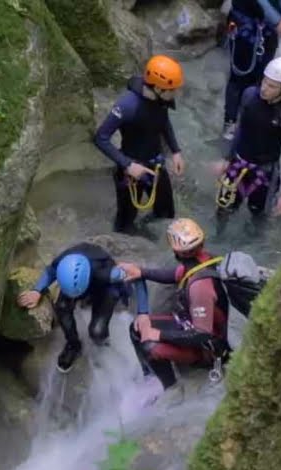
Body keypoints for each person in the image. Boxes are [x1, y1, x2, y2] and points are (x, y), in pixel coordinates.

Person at [118, 218, 230, 390]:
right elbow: (175, 274)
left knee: (150, 345)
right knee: (137, 328)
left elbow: (202, 334)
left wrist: (158, 335)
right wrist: (141, 272)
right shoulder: (204, 260)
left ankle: (169, 388)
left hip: (207, 349)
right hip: (188, 325)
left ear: (177, 251)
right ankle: (150, 377)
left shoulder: (200, 286)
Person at [17, 242, 149, 373]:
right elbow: (50, 272)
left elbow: (138, 276)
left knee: (97, 331)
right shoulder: (63, 264)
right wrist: (37, 291)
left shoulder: (108, 273)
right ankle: (73, 345)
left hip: (106, 288)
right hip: (79, 279)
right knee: (62, 306)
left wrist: (143, 312)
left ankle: (102, 344)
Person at [94, 55, 187, 234]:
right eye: (172, 89)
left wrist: (176, 151)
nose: (175, 93)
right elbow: (101, 138)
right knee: (125, 221)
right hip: (131, 168)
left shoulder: (161, 100)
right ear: (159, 88)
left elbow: (163, 122)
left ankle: (151, 234)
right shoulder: (127, 105)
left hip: (156, 165)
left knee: (166, 213)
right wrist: (127, 165)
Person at [213, 56, 281, 222]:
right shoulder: (249, 95)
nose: (264, 89)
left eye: (272, 86)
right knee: (223, 208)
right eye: (264, 82)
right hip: (239, 163)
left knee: (258, 216)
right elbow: (241, 129)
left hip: (266, 172)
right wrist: (227, 159)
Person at [221, 0, 281, 141]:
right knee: (238, 77)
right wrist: (278, 20)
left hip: (267, 29)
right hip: (245, 27)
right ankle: (230, 123)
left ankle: (252, 122)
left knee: (262, 78)